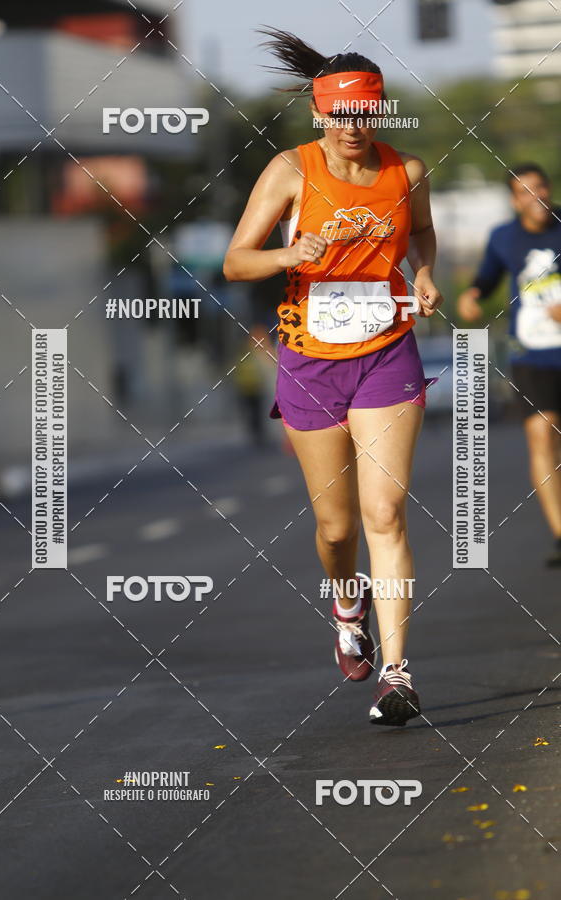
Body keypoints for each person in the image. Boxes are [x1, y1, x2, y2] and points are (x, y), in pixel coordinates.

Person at [223, 29, 443, 726]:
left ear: (379, 109)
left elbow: (422, 233)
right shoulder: (290, 170)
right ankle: (348, 603)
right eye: (339, 114)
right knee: (336, 524)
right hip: (310, 360)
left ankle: (398, 673)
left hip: (386, 352)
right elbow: (235, 261)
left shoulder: (406, 171)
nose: (351, 126)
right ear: (319, 112)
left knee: (386, 513)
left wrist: (425, 274)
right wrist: (289, 253)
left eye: (364, 112)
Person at [457, 164, 561, 567]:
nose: (536, 197)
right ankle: (559, 534)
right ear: (515, 201)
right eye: (525, 192)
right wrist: (472, 294)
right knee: (541, 435)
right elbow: (487, 276)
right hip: (530, 353)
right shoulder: (503, 237)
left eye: (540, 187)